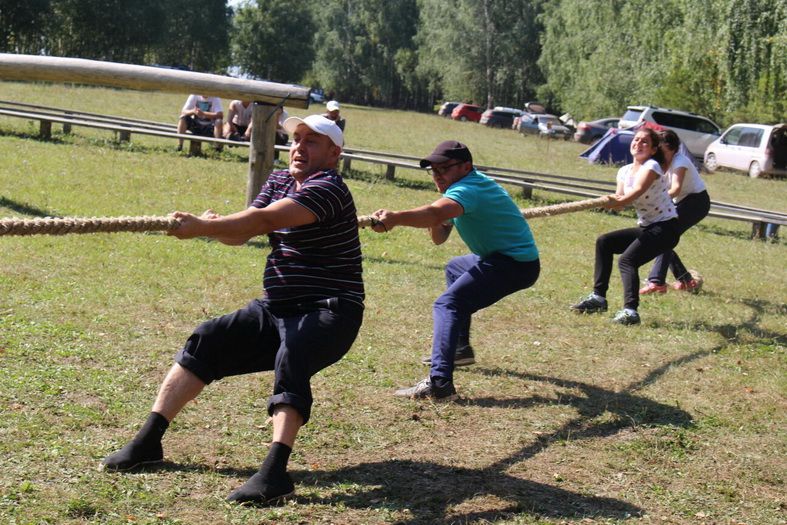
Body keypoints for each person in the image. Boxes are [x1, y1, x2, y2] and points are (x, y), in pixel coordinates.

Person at [102, 115, 364, 506]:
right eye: (296, 139)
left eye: (312, 141)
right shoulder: (278, 180)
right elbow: (243, 233)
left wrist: (207, 228)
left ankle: (275, 473)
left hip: (331, 312)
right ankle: (148, 441)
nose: (299, 147)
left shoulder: (328, 188)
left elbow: (266, 219)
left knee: (292, 354)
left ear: (334, 153)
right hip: (276, 308)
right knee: (209, 338)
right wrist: (215, 226)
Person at [370, 140, 540, 401]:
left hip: (514, 264)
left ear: (466, 167)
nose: (438, 175)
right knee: (455, 268)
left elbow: (435, 213)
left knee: (447, 305)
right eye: (434, 171)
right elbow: (439, 237)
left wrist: (397, 218)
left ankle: (440, 385)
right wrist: (438, 218)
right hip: (501, 258)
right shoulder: (462, 188)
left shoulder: (469, 189)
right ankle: (460, 348)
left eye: (444, 169)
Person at [570, 128, 680, 325]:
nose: (638, 144)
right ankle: (598, 298)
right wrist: (609, 202)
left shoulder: (652, 167)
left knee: (627, 261)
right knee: (605, 242)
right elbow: (621, 202)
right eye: (636, 140)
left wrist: (617, 202)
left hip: (666, 228)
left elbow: (636, 192)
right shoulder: (624, 171)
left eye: (645, 142)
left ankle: (631, 312)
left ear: (654, 149)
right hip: (648, 226)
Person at [640, 129, 710, 294]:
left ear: (672, 149)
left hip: (697, 202)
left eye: (662, 150)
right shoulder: (659, 162)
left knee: (664, 235)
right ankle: (686, 280)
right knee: (663, 235)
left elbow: (676, 189)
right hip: (683, 202)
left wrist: (657, 200)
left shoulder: (680, 162)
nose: (658, 154)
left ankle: (656, 281)